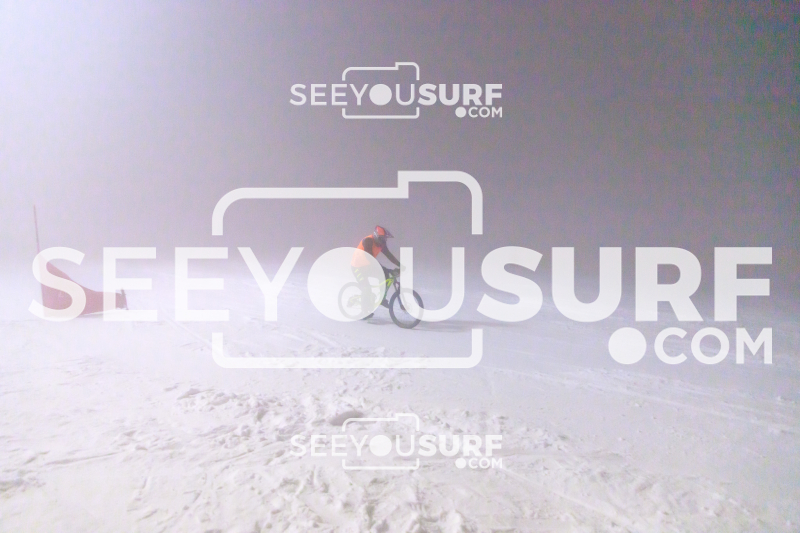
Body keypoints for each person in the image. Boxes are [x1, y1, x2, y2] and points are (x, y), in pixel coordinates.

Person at [351, 225, 400, 316]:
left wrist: (400, 265)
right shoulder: (368, 241)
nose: (384, 241)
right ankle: (364, 312)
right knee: (367, 288)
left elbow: (389, 255)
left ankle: (382, 298)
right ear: (377, 237)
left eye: (384, 239)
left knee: (385, 275)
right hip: (357, 267)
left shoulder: (380, 244)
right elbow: (370, 259)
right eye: (382, 239)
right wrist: (387, 269)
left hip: (366, 266)